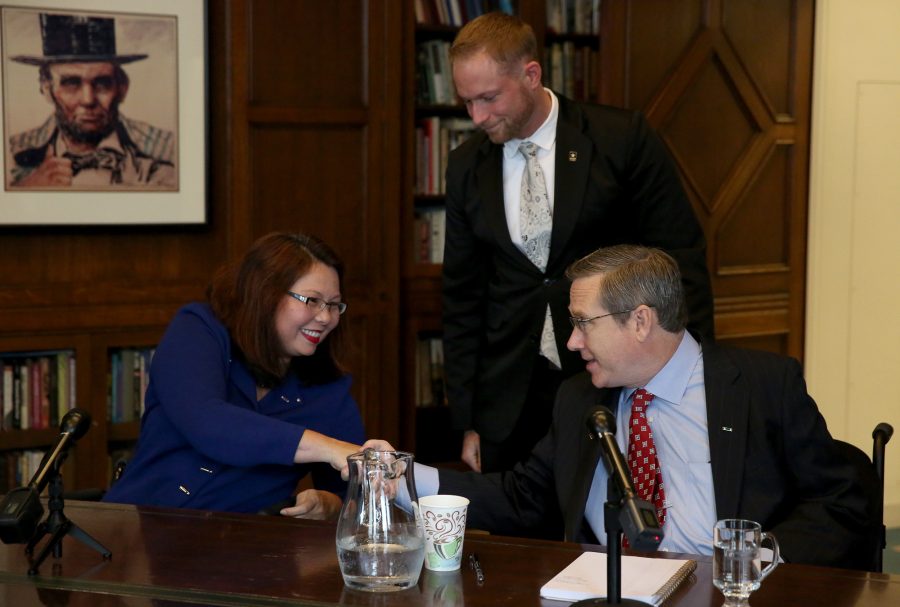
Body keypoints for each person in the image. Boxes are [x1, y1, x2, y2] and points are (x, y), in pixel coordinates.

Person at [401, 244, 872, 569]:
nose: (572, 341)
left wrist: (760, 556)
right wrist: (399, 476)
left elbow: (841, 501)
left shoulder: (759, 385)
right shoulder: (580, 398)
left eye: (584, 323)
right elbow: (522, 498)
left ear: (641, 321)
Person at [441, 12, 714, 475]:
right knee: (519, 534)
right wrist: (469, 421)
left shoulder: (620, 139)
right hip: (509, 400)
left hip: (611, 381)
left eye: (488, 98)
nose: (477, 117)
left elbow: (679, 260)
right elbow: (462, 297)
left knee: (604, 528)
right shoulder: (467, 165)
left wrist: (696, 379)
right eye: (467, 102)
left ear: (531, 75)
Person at [103, 232, 374, 518]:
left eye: (334, 304)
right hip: (134, 531)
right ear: (265, 293)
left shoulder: (328, 390)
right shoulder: (199, 330)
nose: (325, 317)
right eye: (312, 300)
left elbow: (353, 498)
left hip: (237, 549)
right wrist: (329, 447)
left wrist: (328, 503)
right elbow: (208, 423)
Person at [7, 13, 175, 188]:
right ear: (47, 88)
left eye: (102, 84)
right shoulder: (11, 153)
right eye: (71, 83)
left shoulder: (168, 152)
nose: (88, 100)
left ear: (122, 88)